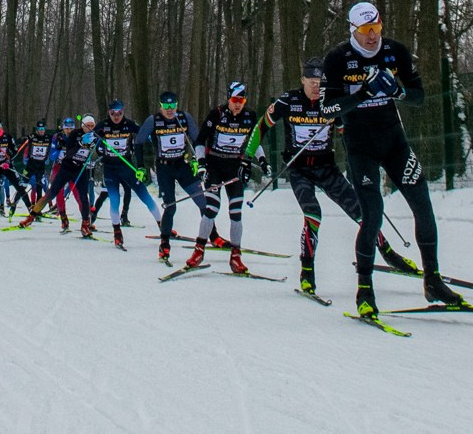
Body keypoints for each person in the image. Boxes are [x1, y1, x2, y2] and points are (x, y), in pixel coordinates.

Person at [322, 1, 450, 319]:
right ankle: (364, 290)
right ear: (353, 30)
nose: (372, 37)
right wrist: (363, 93)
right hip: (360, 146)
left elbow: (420, 96)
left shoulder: (395, 51)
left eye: (377, 29)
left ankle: (432, 280)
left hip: (394, 142)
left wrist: (399, 92)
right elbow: (327, 109)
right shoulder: (338, 58)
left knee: (423, 204)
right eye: (366, 31)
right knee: (373, 215)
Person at [258, 62, 419, 296]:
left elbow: (347, 136)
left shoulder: (332, 103)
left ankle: (388, 253)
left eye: (320, 83)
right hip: (299, 169)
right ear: (302, 80)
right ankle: (307, 273)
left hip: (327, 168)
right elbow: (261, 126)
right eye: (312, 82)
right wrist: (248, 158)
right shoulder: (288, 101)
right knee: (313, 213)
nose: (316, 87)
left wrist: (357, 164)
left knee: (363, 213)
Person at [143, 90, 216, 266]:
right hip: (164, 169)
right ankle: (164, 243)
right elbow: (138, 141)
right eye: (166, 106)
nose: (170, 110)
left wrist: (195, 160)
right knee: (171, 207)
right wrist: (140, 165)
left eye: (173, 106)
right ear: (160, 106)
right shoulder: (153, 120)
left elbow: (197, 139)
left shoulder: (183, 118)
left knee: (203, 203)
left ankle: (214, 236)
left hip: (182, 166)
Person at [197, 83, 257, 275]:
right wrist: (201, 163)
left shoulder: (249, 116)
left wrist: (260, 161)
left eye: (242, 101)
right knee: (211, 209)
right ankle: (198, 251)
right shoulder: (217, 114)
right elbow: (199, 140)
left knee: (236, 212)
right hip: (214, 165)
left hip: (234, 167)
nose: (238, 105)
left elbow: (254, 141)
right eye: (235, 100)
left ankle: (236, 256)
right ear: (229, 99)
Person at [88, 100, 160, 248]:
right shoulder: (103, 126)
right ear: (109, 113)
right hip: (110, 168)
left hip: (126, 166)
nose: (116, 116)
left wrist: (148, 136)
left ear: (123, 112)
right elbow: (88, 138)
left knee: (144, 194)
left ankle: (162, 226)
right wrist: (91, 138)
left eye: (119, 113)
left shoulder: (128, 124)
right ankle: (117, 232)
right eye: (113, 113)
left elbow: (143, 133)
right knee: (114, 200)